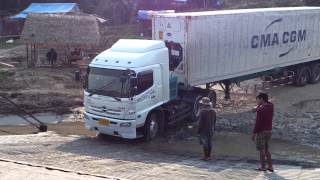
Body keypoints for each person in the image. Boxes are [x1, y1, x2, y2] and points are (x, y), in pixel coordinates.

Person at [252, 93, 274, 172]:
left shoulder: (261, 110)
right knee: (266, 149)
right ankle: (270, 166)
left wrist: (254, 133)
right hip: (269, 131)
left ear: (261, 99)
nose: (257, 101)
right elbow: (265, 105)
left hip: (261, 131)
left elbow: (258, 123)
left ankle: (263, 166)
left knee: (261, 150)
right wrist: (258, 106)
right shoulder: (271, 105)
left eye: (257, 99)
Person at [197, 97, 216, 161]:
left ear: (203, 104)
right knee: (209, 142)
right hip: (211, 129)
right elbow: (214, 121)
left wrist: (198, 131)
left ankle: (205, 156)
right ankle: (209, 156)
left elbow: (200, 123)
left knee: (205, 143)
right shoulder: (213, 111)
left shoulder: (202, 112)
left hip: (204, 130)